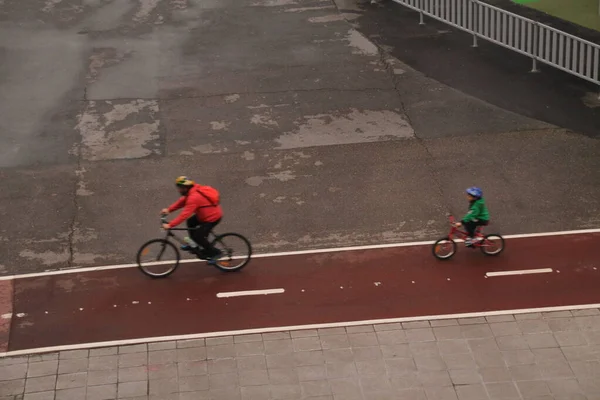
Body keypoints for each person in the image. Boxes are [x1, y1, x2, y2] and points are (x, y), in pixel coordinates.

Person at [161, 176, 223, 259]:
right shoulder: (191, 191)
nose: (178, 190)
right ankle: (193, 245)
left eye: (180, 188)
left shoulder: (194, 198)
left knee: (198, 236)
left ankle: (215, 253)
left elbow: (184, 215)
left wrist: (170, 225)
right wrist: (169, 210)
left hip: (212, 218)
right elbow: (182, 202)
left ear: (185, 188)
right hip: (204, 215)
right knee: (190, 222)